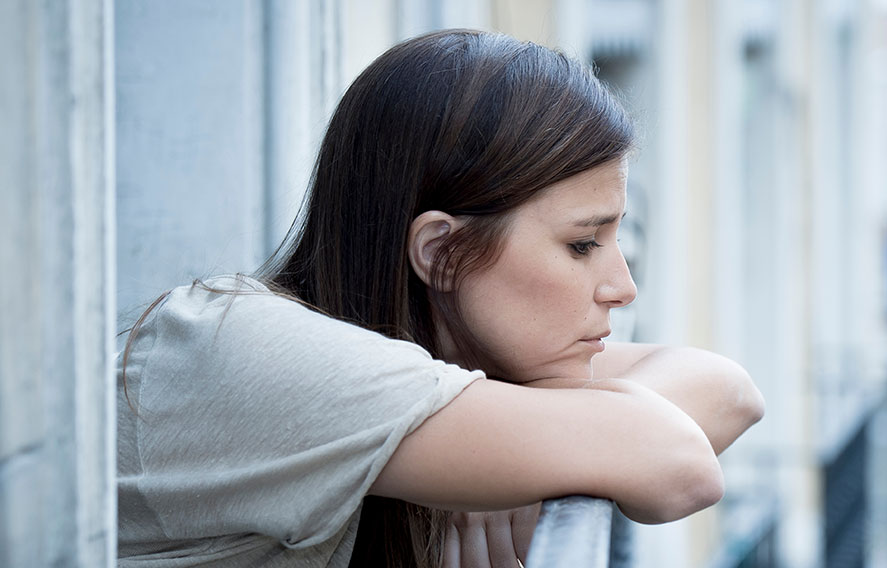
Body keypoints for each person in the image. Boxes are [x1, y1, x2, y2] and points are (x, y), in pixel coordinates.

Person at [117, 29, 764, 567]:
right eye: (580, 245)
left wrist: (528, 441)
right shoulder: (240, 349)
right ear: (441, 252)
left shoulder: (451, 356)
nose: (621, 288)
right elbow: (677, 462)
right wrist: (568, 442)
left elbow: (729, 390)